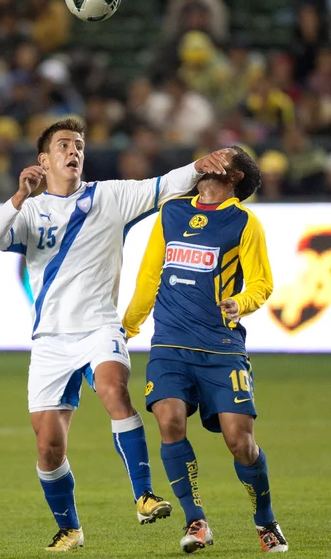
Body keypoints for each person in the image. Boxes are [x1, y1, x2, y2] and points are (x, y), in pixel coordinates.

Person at [0, 118, 229, 552]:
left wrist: (198, 166)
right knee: (48, 449)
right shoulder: (32, 211)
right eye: (63, 145)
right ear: (44, 159)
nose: (73, 151)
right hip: (50, 340)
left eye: (78, 145)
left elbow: (164, 184)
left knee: (114, 389)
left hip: (100, 325)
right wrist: (20, 196)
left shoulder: (110, 197)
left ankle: (144, 495)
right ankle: (70, 528)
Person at [122, 146, 289, 554]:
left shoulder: (245, 222)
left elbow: (262, 284)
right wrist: (127, 326)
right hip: (169, 343)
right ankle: (195, 520)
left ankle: (265, 521)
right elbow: (149, 274)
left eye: (223, 159)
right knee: (168, 420)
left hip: (220, 346)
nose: (210, 161)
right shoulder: (172, 211)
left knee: (240, 441)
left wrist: (241, 303)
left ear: (235, 177)